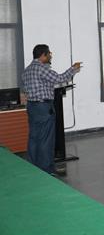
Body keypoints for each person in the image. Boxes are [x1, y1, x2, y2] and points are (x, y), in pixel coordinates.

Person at [21, 44, 81, 175]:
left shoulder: (27, 70)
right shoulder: (41, 68)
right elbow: (59, 78)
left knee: (34, 137)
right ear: (43, 55)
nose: (50, 56)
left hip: (32, 107)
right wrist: (73, 68)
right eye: (49, 54)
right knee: (46, 140)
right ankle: (46, 170)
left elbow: (29, 89)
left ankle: (33, 167)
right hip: (43, 108)